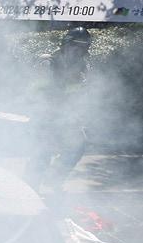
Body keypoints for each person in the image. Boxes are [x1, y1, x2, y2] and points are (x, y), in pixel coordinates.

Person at [25, 26, 93, 193]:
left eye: (83, 47)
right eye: (75, 45)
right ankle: (28, 189)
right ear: (65, 44)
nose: (78, 51)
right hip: (44, 114)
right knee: (42, 153)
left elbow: (83, 92)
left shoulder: (83, 66)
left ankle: (53, 179)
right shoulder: (48, 62)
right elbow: (41, 91)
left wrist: (77, 112)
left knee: (79, 144)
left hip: (67, 116)